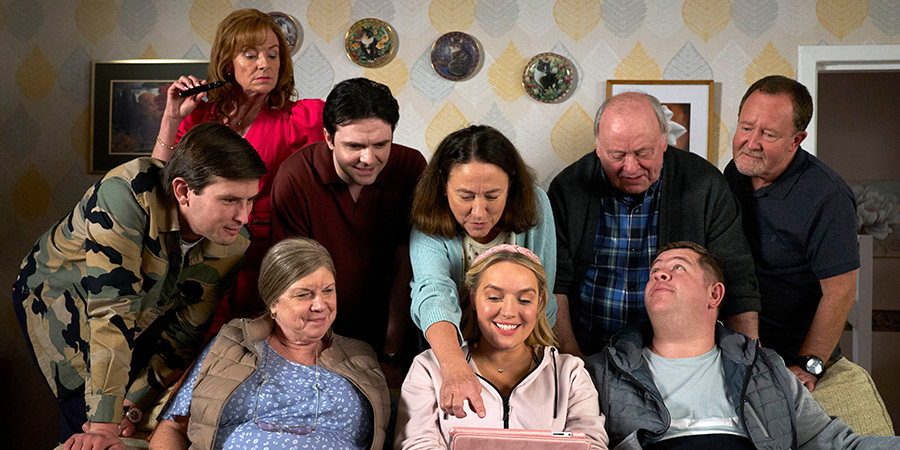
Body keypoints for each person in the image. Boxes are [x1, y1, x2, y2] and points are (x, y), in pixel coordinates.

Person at [13, 122, 267, 449]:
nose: (243, 217)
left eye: (250, 201)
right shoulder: (124, 194)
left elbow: (186, 331)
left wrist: (133, 405)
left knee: (130, 419)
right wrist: (104, 424)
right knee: (91, 425)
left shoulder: (234, 243)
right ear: (183, 190)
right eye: (230, 200)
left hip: (146, 307)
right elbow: (111, 311)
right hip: (61, 300)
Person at [585, 241, 898, 449]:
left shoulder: (765, 368)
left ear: (715, 295)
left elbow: (836, 444)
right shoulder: (604, 371)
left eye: (678, 268)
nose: (661, 274)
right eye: (655, 272)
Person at [548, 91, 759, 356]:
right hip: (587, 350)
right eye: (616, 155)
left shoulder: (705, 184)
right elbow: (556, 287)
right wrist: (573, 363)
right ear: (598, 147)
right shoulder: (568, 189)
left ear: (663, 142)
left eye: (642, 153)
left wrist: (750, 360)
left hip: (677, 356)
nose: (631, 167)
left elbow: (737, 280)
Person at [152, 8, 325, 319]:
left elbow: (350, 153)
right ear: (227, 64)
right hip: (199, 255)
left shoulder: (302, 119)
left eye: (273, 55)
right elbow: (156, 184)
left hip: (268, 255)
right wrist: (170, 118)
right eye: (250, 55)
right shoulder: (199, 115)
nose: (265, 64)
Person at [150, 237, 390, 449]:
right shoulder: (231, 343)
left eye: (328, 291)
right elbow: (173, 426)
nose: (320, 305)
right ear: (272, 302)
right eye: (303, 294)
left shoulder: (360, 357)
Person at [270, 78, 426, 382]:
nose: (369, 159)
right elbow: (292, 283)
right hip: (318, 339)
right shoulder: (296, 177)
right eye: (354, 146)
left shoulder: (411, 167)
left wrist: (391, 353)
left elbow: (408, 265)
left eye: (381, 145)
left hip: (396, 335)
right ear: (328, 138)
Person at [409, 125, 557, 419]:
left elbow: (541, 295)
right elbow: (433, 293)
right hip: (451, 351)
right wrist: (454, 367)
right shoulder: (429, 220)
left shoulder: (537, 204)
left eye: (492, 196)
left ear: (512, 184)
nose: (478, 213)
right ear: (442, 185)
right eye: (465, 196)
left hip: (524, 352)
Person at [396, 245, 608, 449]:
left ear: (540, 302)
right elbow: (415, 444)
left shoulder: (570, 374)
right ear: (473, 298)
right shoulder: (428, 368)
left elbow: (592, 444)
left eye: (524, 300)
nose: (508, 311)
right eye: (494, 297)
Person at [724, 75, 859, 390]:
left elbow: (841, 292)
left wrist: (811, 364)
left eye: (768, 134)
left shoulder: (828, 197)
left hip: (792, 356)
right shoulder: (736, 171)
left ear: (797, 140)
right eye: (746, 127)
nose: (751, 142)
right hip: (738, 347)